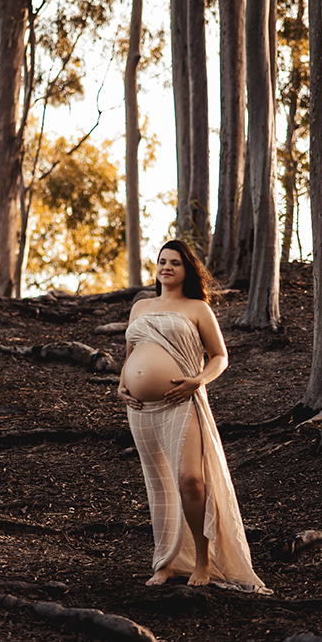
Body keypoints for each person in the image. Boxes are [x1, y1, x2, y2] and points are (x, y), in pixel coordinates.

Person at [117, 239, 265, 592]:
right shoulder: (140, 306)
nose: (166, 267)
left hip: (182, 403)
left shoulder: (198, 308)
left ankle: (203, 558)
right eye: (162, 261)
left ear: (187, 270)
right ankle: (165, 562)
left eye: (175, 263)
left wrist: (197, 381)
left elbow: (220, 357)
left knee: (190, 481)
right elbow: (131, 352)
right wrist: (122, 384)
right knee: (160, 487)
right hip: (140, 410)